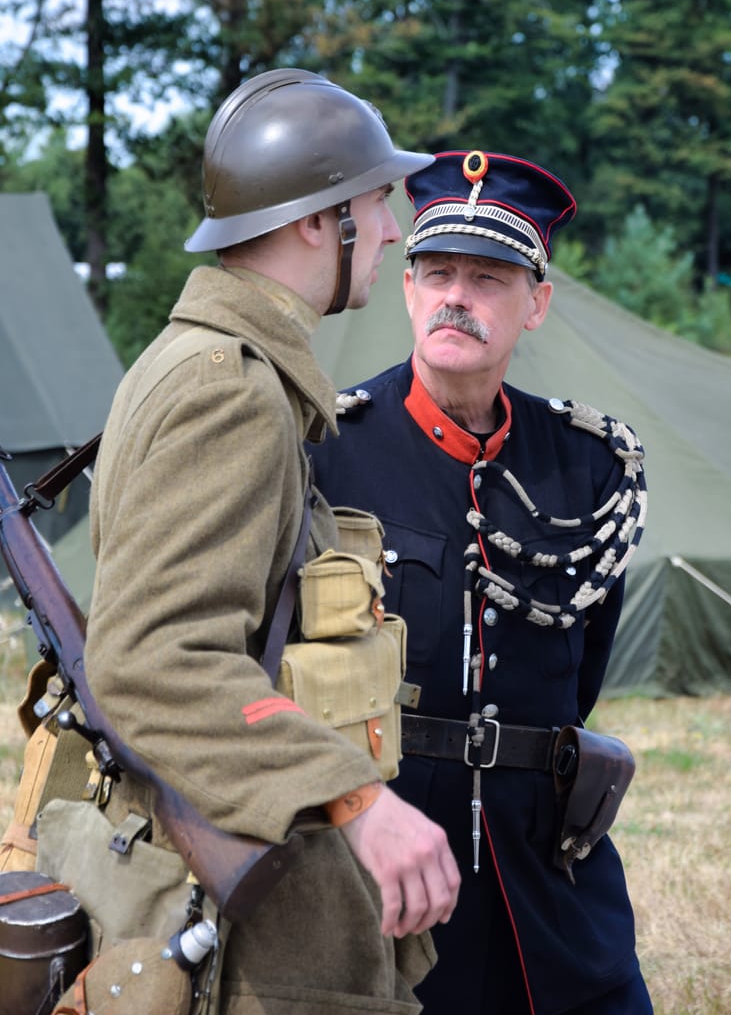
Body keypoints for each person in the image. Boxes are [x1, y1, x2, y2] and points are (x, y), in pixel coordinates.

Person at [78, 70, 461, 1015]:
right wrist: (358, 800)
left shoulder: (199, 361)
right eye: (375, 201)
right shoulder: (232, 390)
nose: (393, 230)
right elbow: (154, 656)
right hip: (254, 923)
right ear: (317, 222)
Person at [311, 149, 653, 1015]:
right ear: (408, 289)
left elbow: (581, 675)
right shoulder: (325, 453)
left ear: (536, 304)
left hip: (550, 874)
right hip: (387, 869)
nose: (456, 296)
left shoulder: (591, 467)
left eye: (489, 278)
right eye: (438, 273)